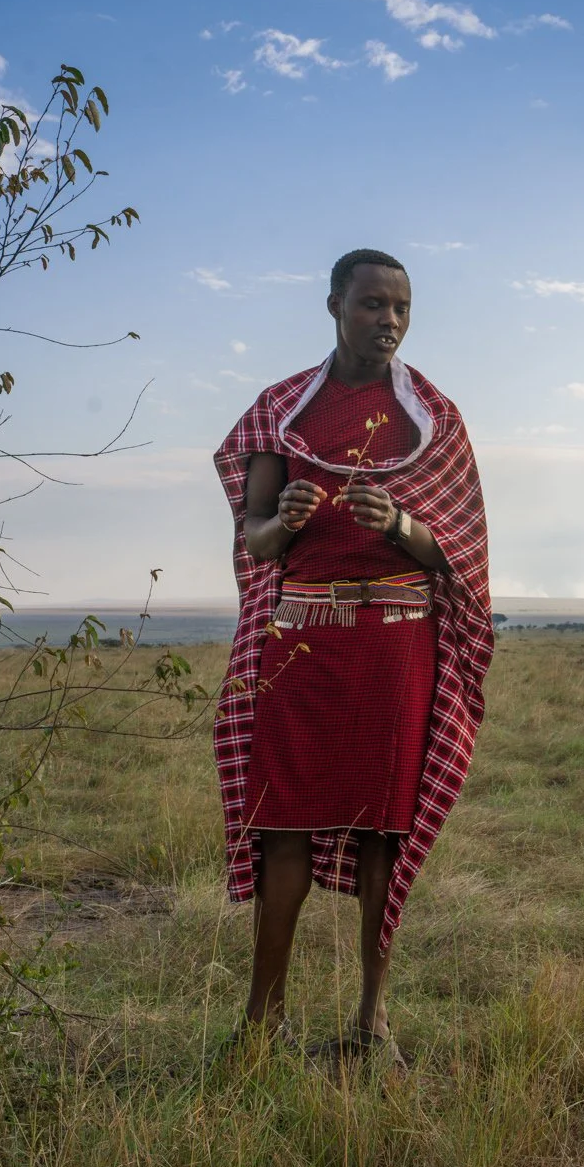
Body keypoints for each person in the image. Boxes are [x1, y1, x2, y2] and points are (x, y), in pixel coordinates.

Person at [212, 248, 492, 1065]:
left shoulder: (431, 420)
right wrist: (288, 518)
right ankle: (262, 1023)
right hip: (301, 643)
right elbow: (256, 535)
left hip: (395, 647)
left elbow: (460, 550)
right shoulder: (283, 411)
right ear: (334, 304)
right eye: (372, 304)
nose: (390, 321)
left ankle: (372, 1022)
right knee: (284, 828)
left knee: (382, 832)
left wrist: (399, 526)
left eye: (401, 308)